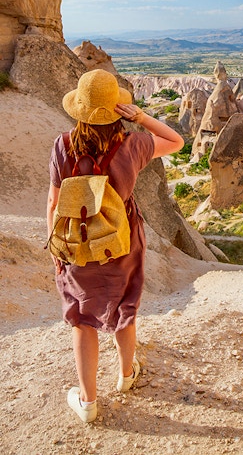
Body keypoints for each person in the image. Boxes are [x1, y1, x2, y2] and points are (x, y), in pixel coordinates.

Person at [46, 69, 184, 423]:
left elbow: (53, 202)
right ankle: (126, 375)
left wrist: (56, 250)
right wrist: (139, 116)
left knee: (82, 319)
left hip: (77, 244)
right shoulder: (134, 144)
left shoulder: (63, 146)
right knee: (124, 306)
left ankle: (88, 402)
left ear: (79, 109)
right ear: (116, 109)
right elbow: (176, 141)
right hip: (121, 242)